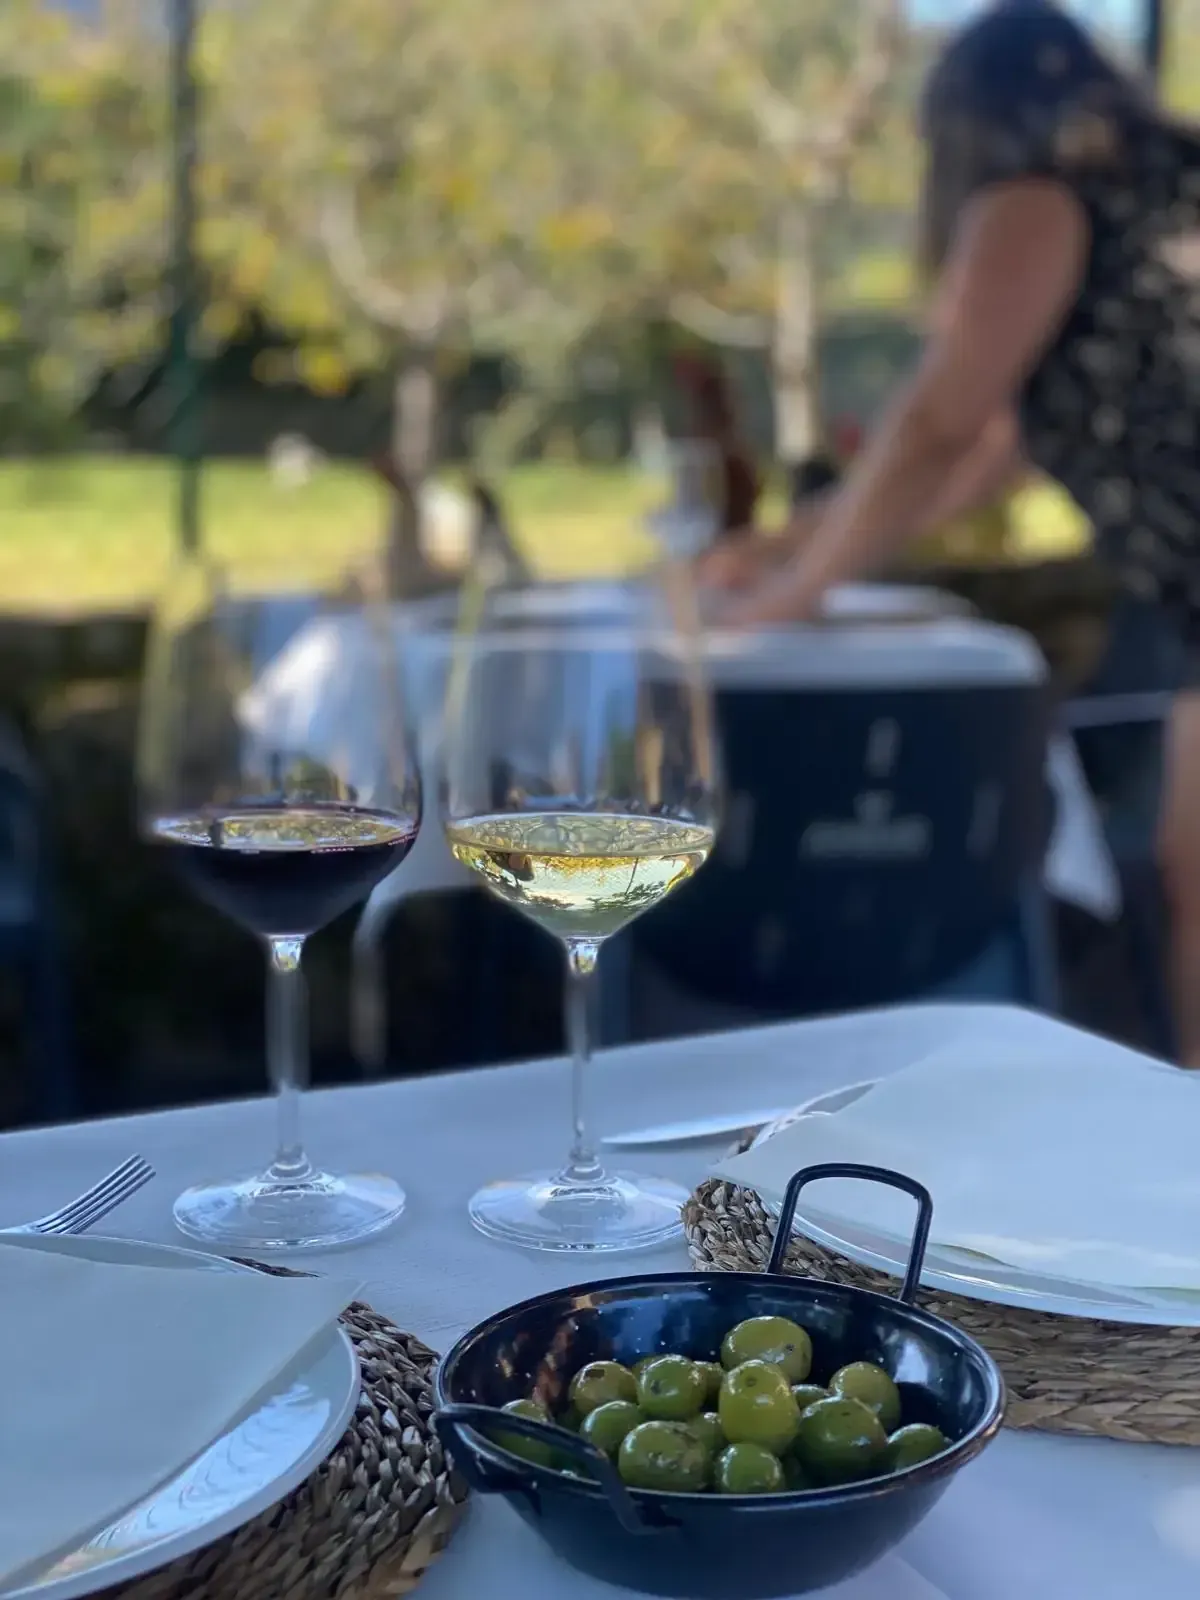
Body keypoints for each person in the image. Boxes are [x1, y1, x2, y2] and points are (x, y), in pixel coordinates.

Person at [701, 0, 1200, 1064]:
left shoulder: (1038, 200)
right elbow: (981, 459)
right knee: (1186, 869)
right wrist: (792, 550)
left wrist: (784, 604)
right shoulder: (1150, 204)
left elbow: (937, 424)